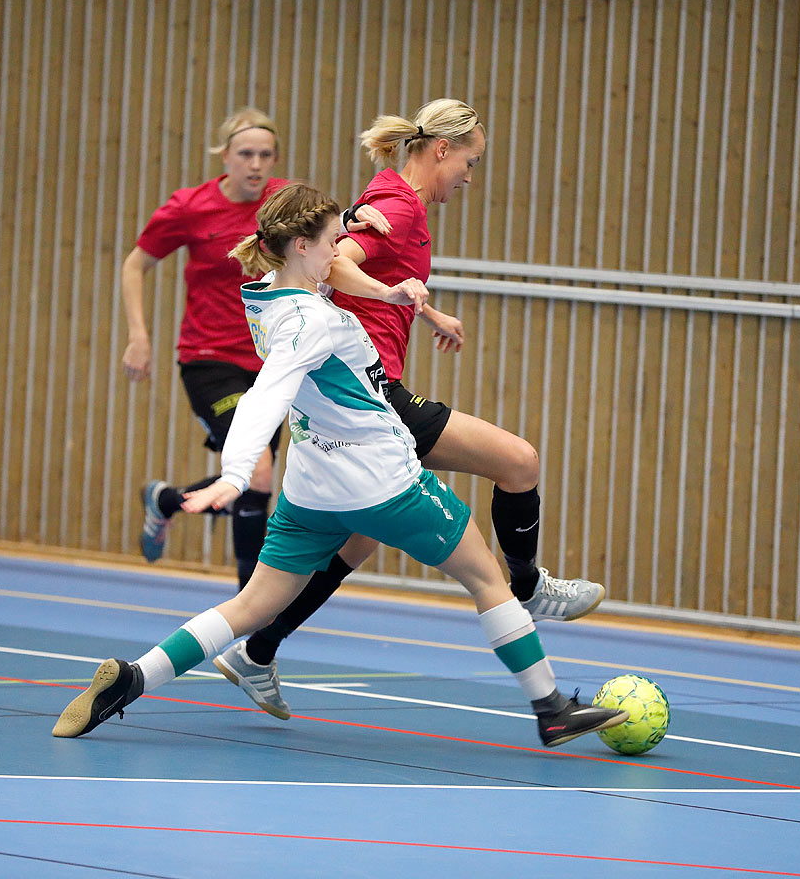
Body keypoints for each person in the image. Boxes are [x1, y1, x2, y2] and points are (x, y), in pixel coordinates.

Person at [51, 183, 628, 748]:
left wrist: (356, 227)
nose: (341, 250)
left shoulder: (264, 293)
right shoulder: (310, 323)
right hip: (379, 479)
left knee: (250, 606)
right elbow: (266, 396)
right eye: (332, 241)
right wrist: (233, 475)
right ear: (302, 247)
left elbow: (320, 268)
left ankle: (133, 678)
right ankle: (550, 708)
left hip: (311, 488)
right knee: (487, 578)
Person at [211, 100, 604, 719]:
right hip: (377, 398)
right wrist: (391, 291)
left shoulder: (390, 194)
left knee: (355, 542)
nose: (470, 177)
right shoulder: (397, 205)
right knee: (518, 461)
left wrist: (423, 310)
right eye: (470, 162)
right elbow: (334, 263)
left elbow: (355, 259)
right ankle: (526, 588)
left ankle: (257, 651)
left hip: (361, 405)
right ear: (441, 151)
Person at [119, 108, 389, 588]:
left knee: (260, 483)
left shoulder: (281, 205)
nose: (256, 164)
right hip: (208, 360)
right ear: (225, 156)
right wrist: (139, 335)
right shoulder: (189, 207)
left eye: (266, 154)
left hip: (274, 359)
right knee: (260, 472)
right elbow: (134, 265)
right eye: (246, 154)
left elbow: (329, 235)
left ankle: (166, 502)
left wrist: (356, 215)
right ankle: (250, 597)